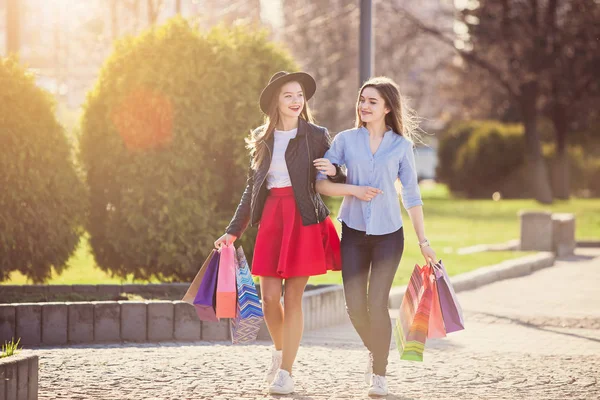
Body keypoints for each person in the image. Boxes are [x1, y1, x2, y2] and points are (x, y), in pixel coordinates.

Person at [214, 71, 345, 395]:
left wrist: (337, 170)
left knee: (292, 298)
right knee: (269, 299)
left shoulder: (315, 134)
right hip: (273, 220)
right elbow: (252, 189)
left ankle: (286, 372)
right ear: (276, 100)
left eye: (299, 95)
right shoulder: (263, 138)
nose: (296, 101)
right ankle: (280, 352)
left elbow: (337, 169)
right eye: (288, 95)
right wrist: (233, 231)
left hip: (303, 220)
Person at [314, 76, 437, 397]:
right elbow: (321, 184)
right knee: (355, 307)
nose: (364, 106)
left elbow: (412, 196)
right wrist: (352, 188)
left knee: (376, 303)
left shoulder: (401, 146)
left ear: (387, 108)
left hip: (388, 236)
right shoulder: (345, 141)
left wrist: (424, 242)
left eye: (372, 101)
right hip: (353, 231)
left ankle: (379, 373)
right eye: (362, 100)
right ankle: (378, 351)